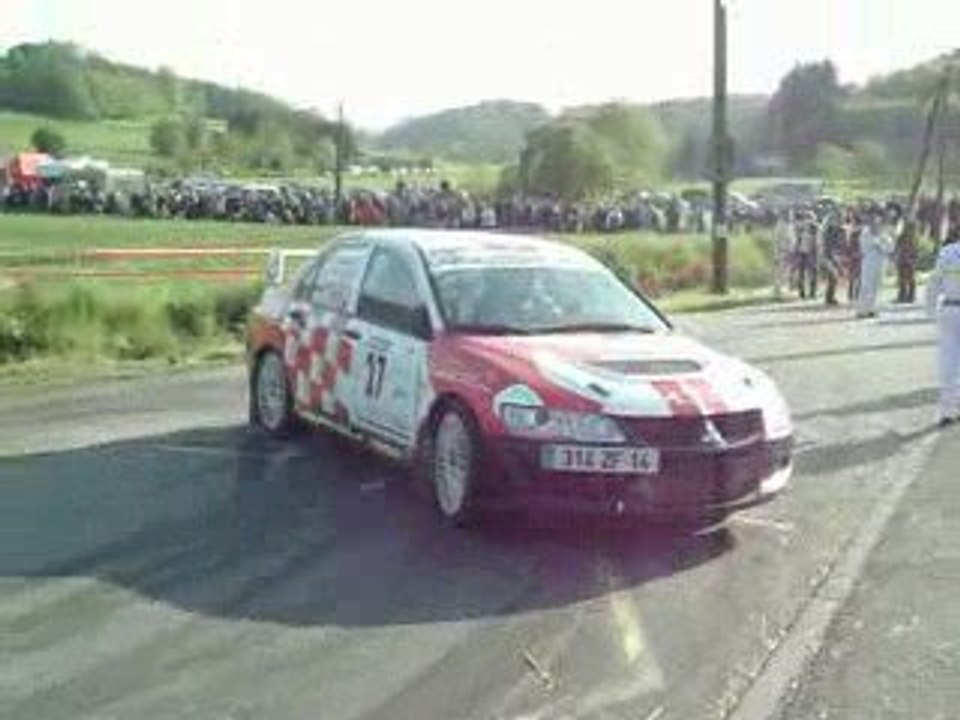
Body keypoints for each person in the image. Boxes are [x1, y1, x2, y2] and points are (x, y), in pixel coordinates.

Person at [926, 225, 960, 426]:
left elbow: (933, 283)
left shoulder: (947, 252)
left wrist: (930, 311)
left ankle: (947, 410)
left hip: (949, 309)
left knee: (948, 361)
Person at [856, 211, 893, 318]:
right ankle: (862, 310)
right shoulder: (865, 233)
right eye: (873, 221)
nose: (876, 223)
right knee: (866, 285)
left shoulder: (884, 234)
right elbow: (864, 247)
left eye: (878, 221)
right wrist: (877, 243)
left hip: (881, 261)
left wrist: (880, 244)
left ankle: (873, 309)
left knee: (877, 285)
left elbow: (890, 248)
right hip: (869, 261)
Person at [821, 213, 846, 306]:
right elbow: (828, 246)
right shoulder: (829, 232)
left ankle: (830, 297)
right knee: (833, 277)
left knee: (833, 278)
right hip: (829, 256)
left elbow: (840, 244)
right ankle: (829, 297)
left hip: (833, 255)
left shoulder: (836, 231)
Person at [772, 210, 796, 299]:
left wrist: (792, 250)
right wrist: (776, 253)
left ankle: (784, 288)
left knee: (787, 271)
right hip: (782, 252)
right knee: (780, 271)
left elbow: (792, 241)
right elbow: (777, 241)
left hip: (788, 252)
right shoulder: (781, 227)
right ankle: (779, 289)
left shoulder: (790, 226)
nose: (790, 217)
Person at [796, 212, 818, 299]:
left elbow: (797, 241)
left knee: (804, 274)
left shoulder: (801, 228)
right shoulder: (813, 228)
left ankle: (804, 293)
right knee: (811, 273)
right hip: (808, 253)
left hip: (803, 253)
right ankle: (810, 293)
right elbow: (816, 243)